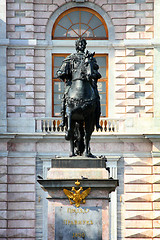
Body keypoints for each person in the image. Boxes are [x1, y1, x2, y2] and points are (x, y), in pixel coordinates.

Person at [56, 37, 102, 129]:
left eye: (83, 44)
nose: (81, 45)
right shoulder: (70, 58)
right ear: (76, 46)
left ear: (85, 46)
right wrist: (61, 73)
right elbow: (60, 71)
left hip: (88, 83)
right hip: (72, 84)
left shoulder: (90, 59)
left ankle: (97, 122)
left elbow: (97, 72)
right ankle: (63, 120)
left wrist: (94, 74)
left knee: (97, 98)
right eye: (79, 44)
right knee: (65, 97)